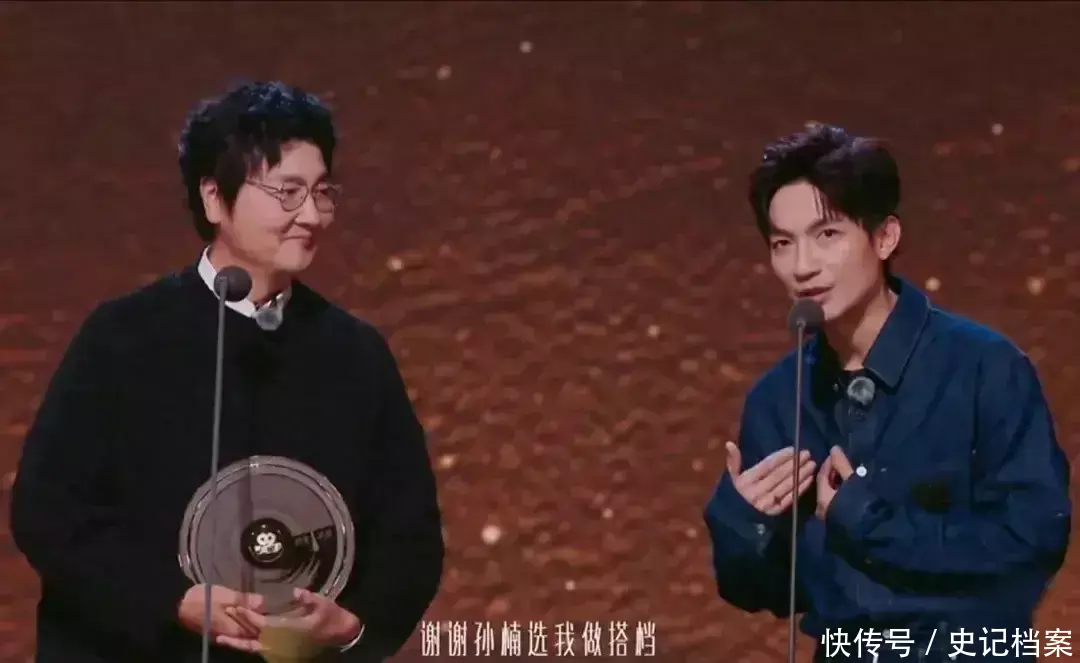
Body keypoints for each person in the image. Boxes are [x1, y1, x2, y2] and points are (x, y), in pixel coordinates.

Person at [10, 80, 445, 662]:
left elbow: (410, 536)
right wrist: (172, 600)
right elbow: (48, 511)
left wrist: (352, 625)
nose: (312, 215)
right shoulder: (123, 337)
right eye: (288, 192)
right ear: (215, 198)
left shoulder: (357, 354)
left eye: (322, 193)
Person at [703, 124, 1071, 662]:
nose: (802, 266)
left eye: (827, 235)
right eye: (783, 243)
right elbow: (765, 591)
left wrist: (866, 521)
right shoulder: (779, 400)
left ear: (884, 238)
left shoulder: (985, 369)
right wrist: (745, 520)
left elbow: (1033, 541)